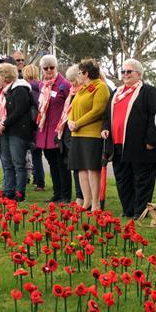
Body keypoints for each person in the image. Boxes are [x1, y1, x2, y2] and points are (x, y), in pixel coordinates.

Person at [100, 59, 156, 218]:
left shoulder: (148, 91)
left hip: (141, 145)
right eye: (123, 71)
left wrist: (151, 140)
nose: (125, 74)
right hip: (118, 144)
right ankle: (128, 209)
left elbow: (155, 116)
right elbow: (107, 115)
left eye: (129, 71)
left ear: (139, 74)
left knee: (141, 179)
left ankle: (140, 211)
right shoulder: (117, 92)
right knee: (123, 179)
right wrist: (105, 128)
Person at [68, 59, 110, 210]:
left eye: (79, 72)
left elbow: (97, 111)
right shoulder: (81, 89)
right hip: (77, 134)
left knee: (92, 168)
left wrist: (78, 123)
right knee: (81, 168)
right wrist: (70, 121)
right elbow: (73, 107)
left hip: (92, 135)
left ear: (86, 73)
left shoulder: (101, 87)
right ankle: (87, 201)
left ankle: (96, 203)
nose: (78, 75)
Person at [0, 62, 35, 201]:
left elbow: (19, 111)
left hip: (17, 132)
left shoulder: (20, 89)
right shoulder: (4, 91)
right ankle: (8, 191)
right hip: (5, 131)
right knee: (7, 163)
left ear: (5, 77)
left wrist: (4, 124)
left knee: (18, 163)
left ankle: (19, 193)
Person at [36, 56, 72, 202]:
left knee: (62, 165)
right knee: (52, 164)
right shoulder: (41, 85)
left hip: (59, 132)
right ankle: (57, 193)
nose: (49, 70)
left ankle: (65, 195)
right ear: (42, 69)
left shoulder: (65, 84)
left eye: (52, 67)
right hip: (45, 132)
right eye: (46, 68)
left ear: (56, 67)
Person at [56, 65, 83, 204]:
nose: (71, 84)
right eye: (70, 81)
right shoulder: (72, 92)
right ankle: (77, 195)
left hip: (77, 132)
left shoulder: (82, 91)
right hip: (66, 132)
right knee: (70, 165)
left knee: (78, 167)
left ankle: (81, 196)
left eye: (74, 80)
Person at [22, 64, 46, 191]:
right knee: (37, 154)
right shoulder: (41, 87)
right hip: (41, 125)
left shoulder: (29, 88)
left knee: (35, 155)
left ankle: (40, 182)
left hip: (32, 125)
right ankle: (38, 179)